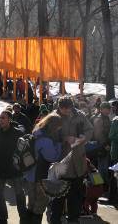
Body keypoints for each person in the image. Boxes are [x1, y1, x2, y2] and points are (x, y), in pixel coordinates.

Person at [50, 96, 93, 224]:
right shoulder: (53, 117)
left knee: (76, 195)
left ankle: (73, 219)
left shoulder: (80, 115)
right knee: (58, 197)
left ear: (71, 106)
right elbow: (49, 135)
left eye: (68, 109)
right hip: (61, 162)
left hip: (77, 161)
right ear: (59, 107)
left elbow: (89, 129)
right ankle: (55, 219)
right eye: (63, 109)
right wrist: (64, 138)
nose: (66, 112)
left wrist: (83, 138)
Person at [25, 113, 62, 224]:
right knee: (40, 204)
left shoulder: (36, 132)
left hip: (30, 174)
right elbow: (52, 157)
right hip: (41, 176)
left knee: (31, 203)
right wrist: (59, 144)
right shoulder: (46, 139)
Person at [0, 110, 27, 224]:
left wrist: (20, 164)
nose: (0, 120)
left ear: (9, 119)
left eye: (3, 118)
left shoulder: (18, 133)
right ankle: (2, 218)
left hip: (15, 169)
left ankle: (23, 216)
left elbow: (24, 150)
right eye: (0, 118)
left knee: (19, 194)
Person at [93, 102, 111, 185]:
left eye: (109, 109)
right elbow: (98, 134)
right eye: (106, 109)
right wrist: (105, 145)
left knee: (105, 166)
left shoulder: (106, 118)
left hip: (106, 145)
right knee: (101, 167)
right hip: (101, 146)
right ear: (101, 109)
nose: (108, 110)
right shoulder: (99, 119)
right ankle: (100, 185)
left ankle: (103, 185)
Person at [109, 116, 118, 204]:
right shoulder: (116, 121)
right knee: (115, 177)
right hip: (116, 154)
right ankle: (112, 198)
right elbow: (111, 135)